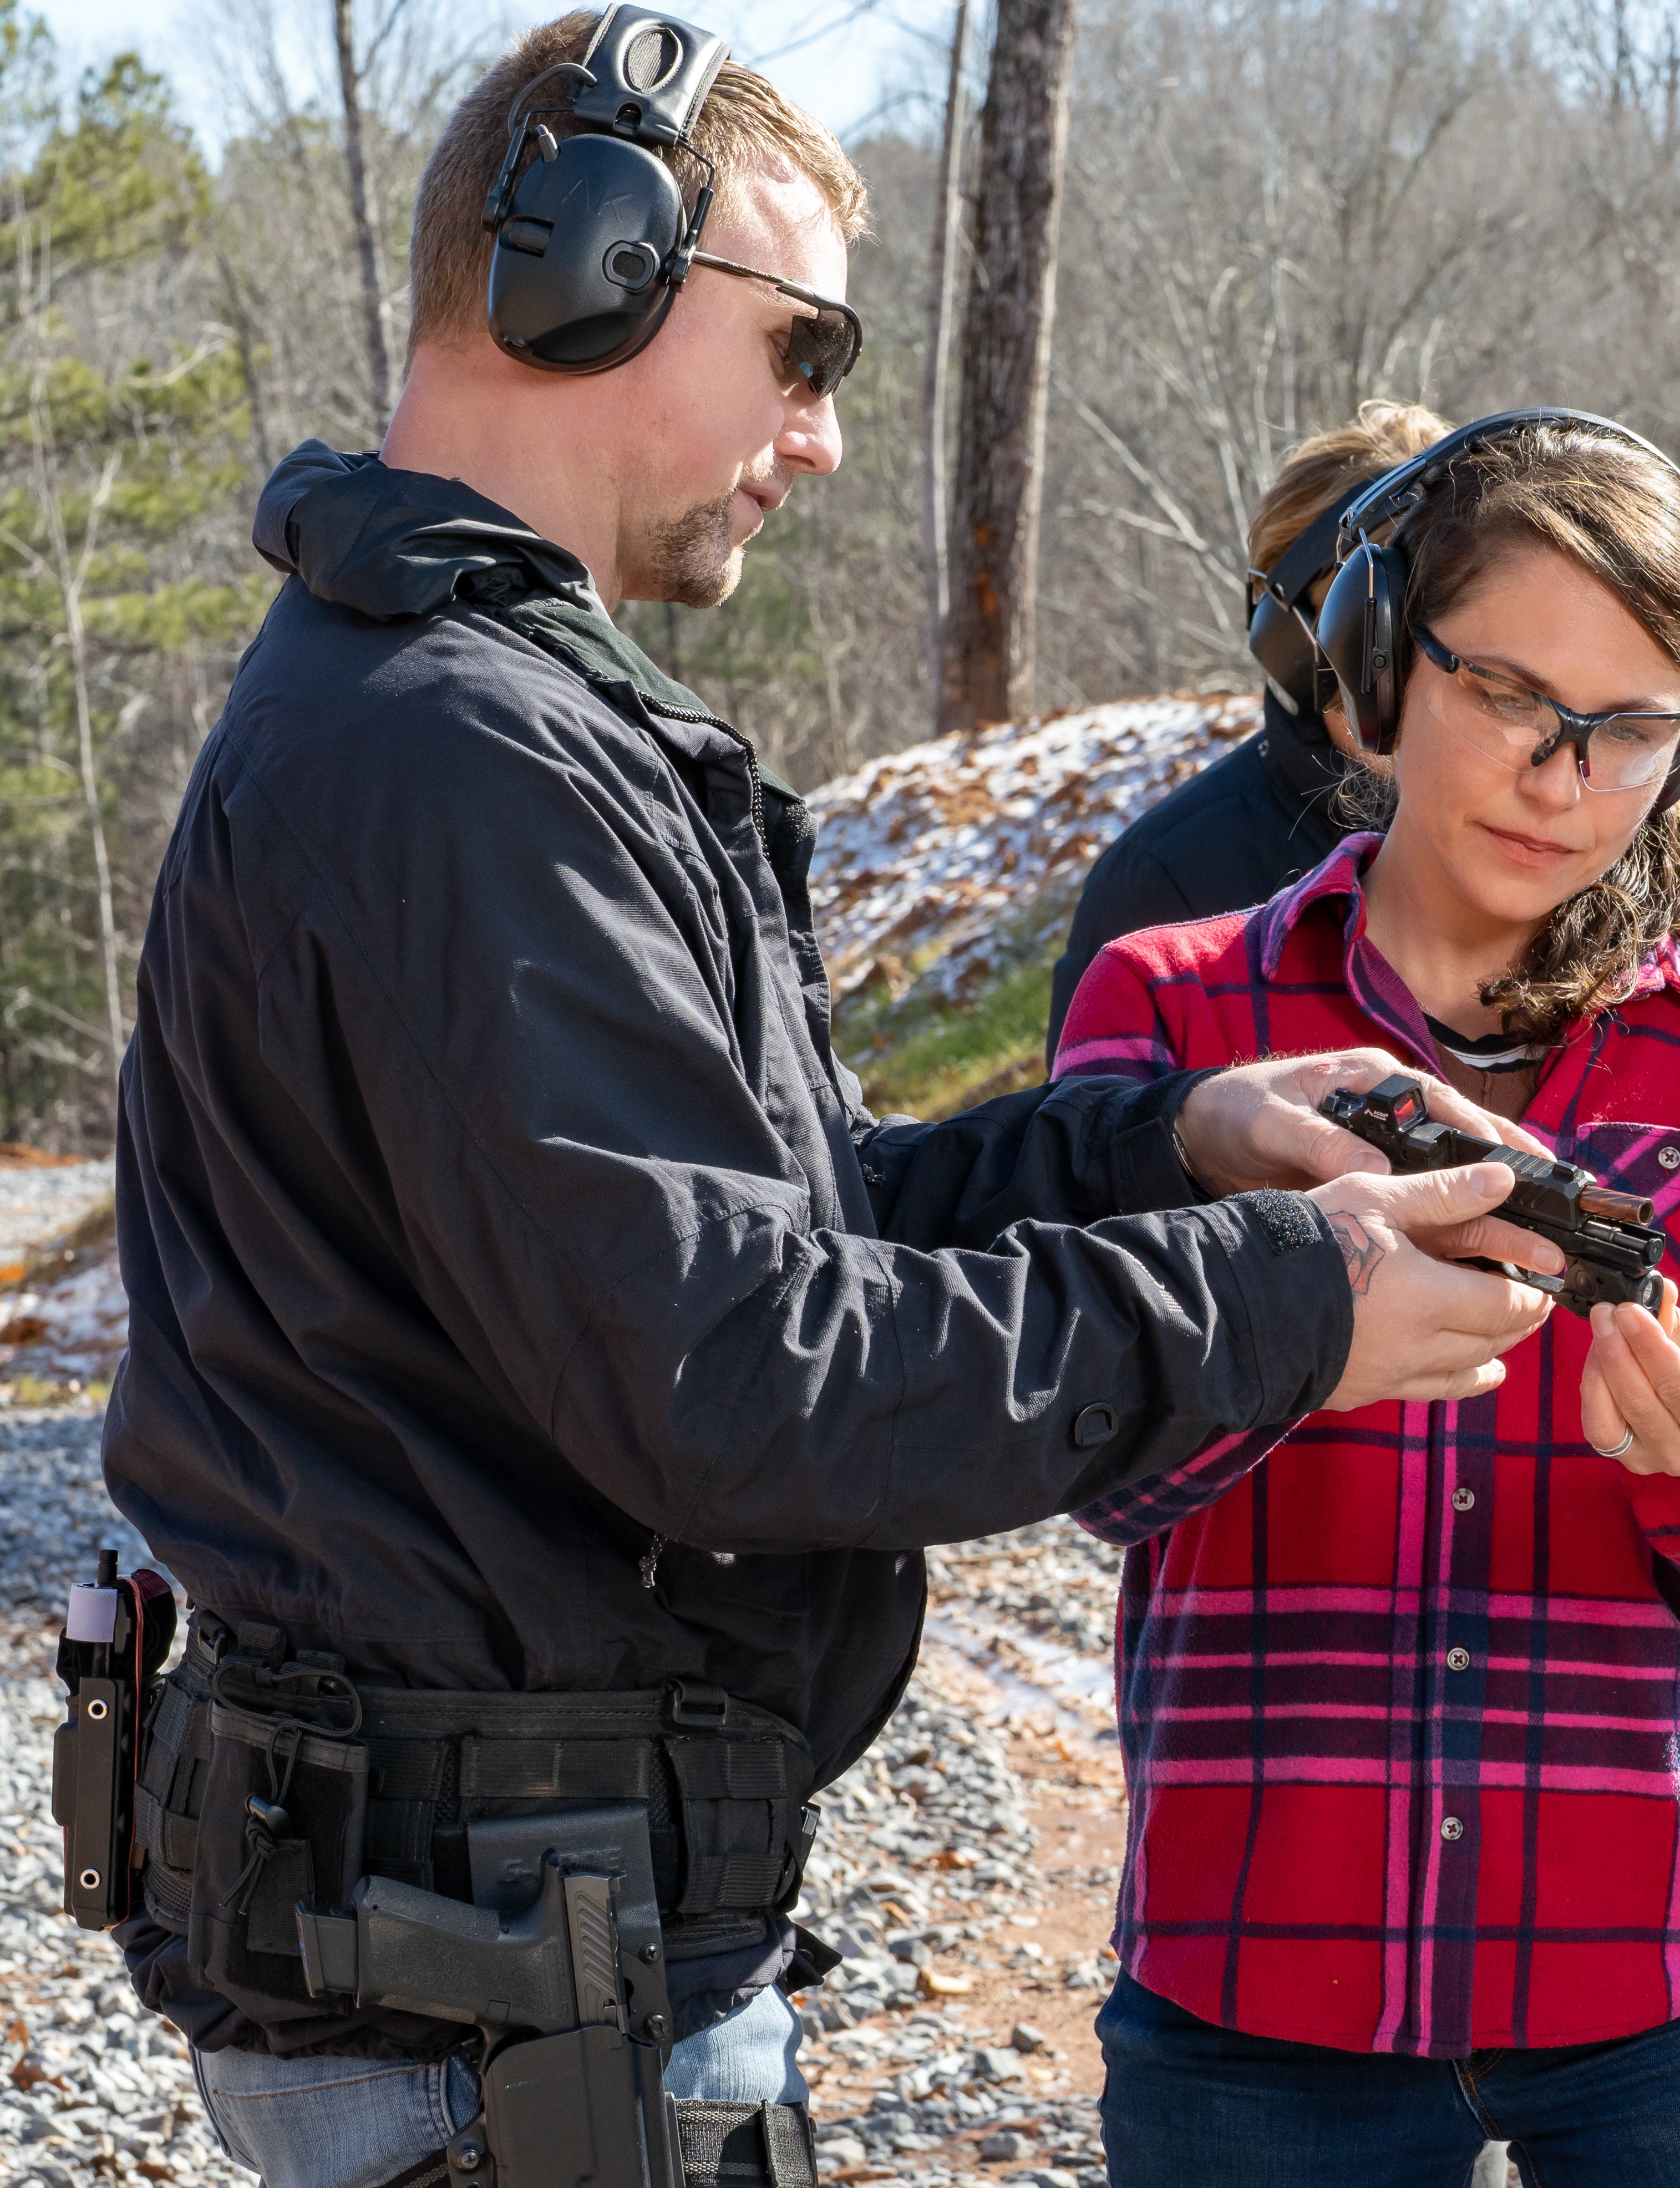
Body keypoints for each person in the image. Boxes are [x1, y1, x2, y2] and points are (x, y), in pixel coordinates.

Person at [94, 19, 1558, 2188]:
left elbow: (771, 1228)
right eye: (798, 347)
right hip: (503, 2029)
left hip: (533, 1973)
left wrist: (1172, 1140)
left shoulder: (475, 717)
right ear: (574, 274)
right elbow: (727, 1376)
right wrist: (1278, 1303)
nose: (828, 432)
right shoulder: (454, 755)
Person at [1054, 410, 1680, 2187]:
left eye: (1632, 729)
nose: (1564, 777)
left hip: (1675, 1969)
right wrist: (1296, 1333)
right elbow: (1094, 1474)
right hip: (1259, 1974)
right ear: (1374, 677)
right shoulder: (1172, 1015)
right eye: (1509, 694)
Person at [1042, 400, 1449, 1055]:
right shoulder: (1166, 882)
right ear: (1286, 643)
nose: (1415, 662)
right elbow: (1090, 1147)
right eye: (1374, 623)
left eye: (1441, 616)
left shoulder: (1550, 832)